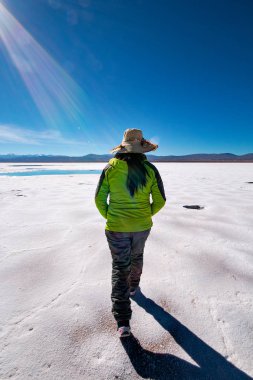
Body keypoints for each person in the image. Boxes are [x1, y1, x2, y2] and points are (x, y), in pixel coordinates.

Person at [95, 128, 166, 338]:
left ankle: (123, 321)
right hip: (142, 227)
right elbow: (160, 200)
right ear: (141, 148)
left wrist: (111, 216)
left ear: (123, 147)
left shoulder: (110, 168)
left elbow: (99, 199)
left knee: (119, 267)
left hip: (116, 228)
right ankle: (133, 287)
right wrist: (145, 215)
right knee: (137, 256)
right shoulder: (151, 170)